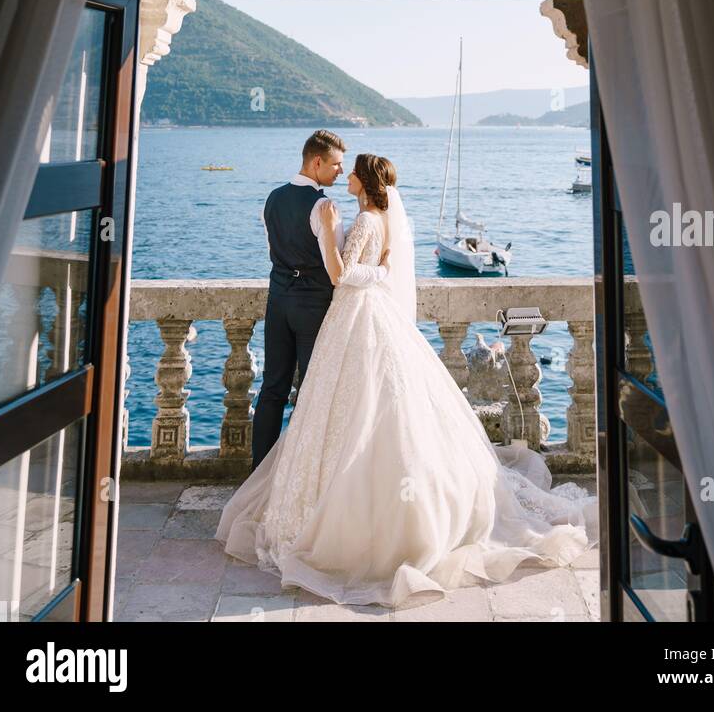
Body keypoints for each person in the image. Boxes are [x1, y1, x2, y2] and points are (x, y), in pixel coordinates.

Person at [218, 152, 598, 609]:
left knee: (346, 405)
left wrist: (364, 264)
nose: (347, 175)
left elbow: (341, 276)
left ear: (364, 181)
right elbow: (373, 267)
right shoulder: (380, 218)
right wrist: (374, 267)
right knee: (379, 406)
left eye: (352, 171)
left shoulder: (363, 221)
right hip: (371, 315)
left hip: (356, 313)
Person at [250, 130, 389, 468]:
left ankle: (259, 472)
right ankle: (299, 472)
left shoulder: (271, 199)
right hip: (312, 306)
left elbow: (274, 252)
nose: (340, 171)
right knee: (312, 392)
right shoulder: (325, 206)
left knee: (272, 389)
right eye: (337, 164)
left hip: (278, 300)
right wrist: (381, 269)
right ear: (317, 162)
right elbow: (335, 268)